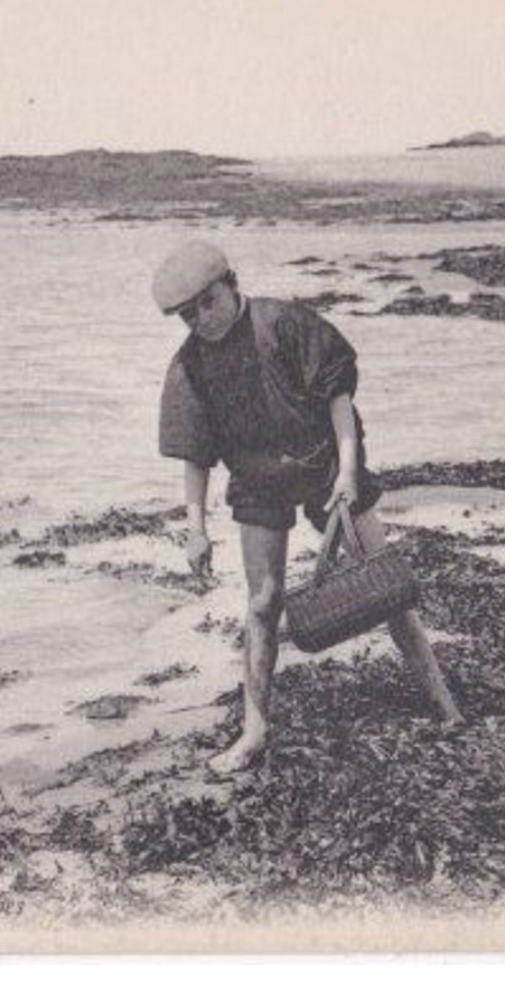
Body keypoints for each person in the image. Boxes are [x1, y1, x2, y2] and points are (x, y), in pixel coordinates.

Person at [153, 240, 462, 776]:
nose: (201, 319)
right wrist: (195, 528)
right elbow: (196, 456)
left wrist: (346, 474)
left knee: (388, 591)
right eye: (187, 315)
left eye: (208, 302)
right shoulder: (189, 367)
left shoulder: (287, 324)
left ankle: (445, 705)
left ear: (231, 282)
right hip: (258, 480)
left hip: (326, 465)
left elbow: (341, 403)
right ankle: (254, 730)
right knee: (261, 605)